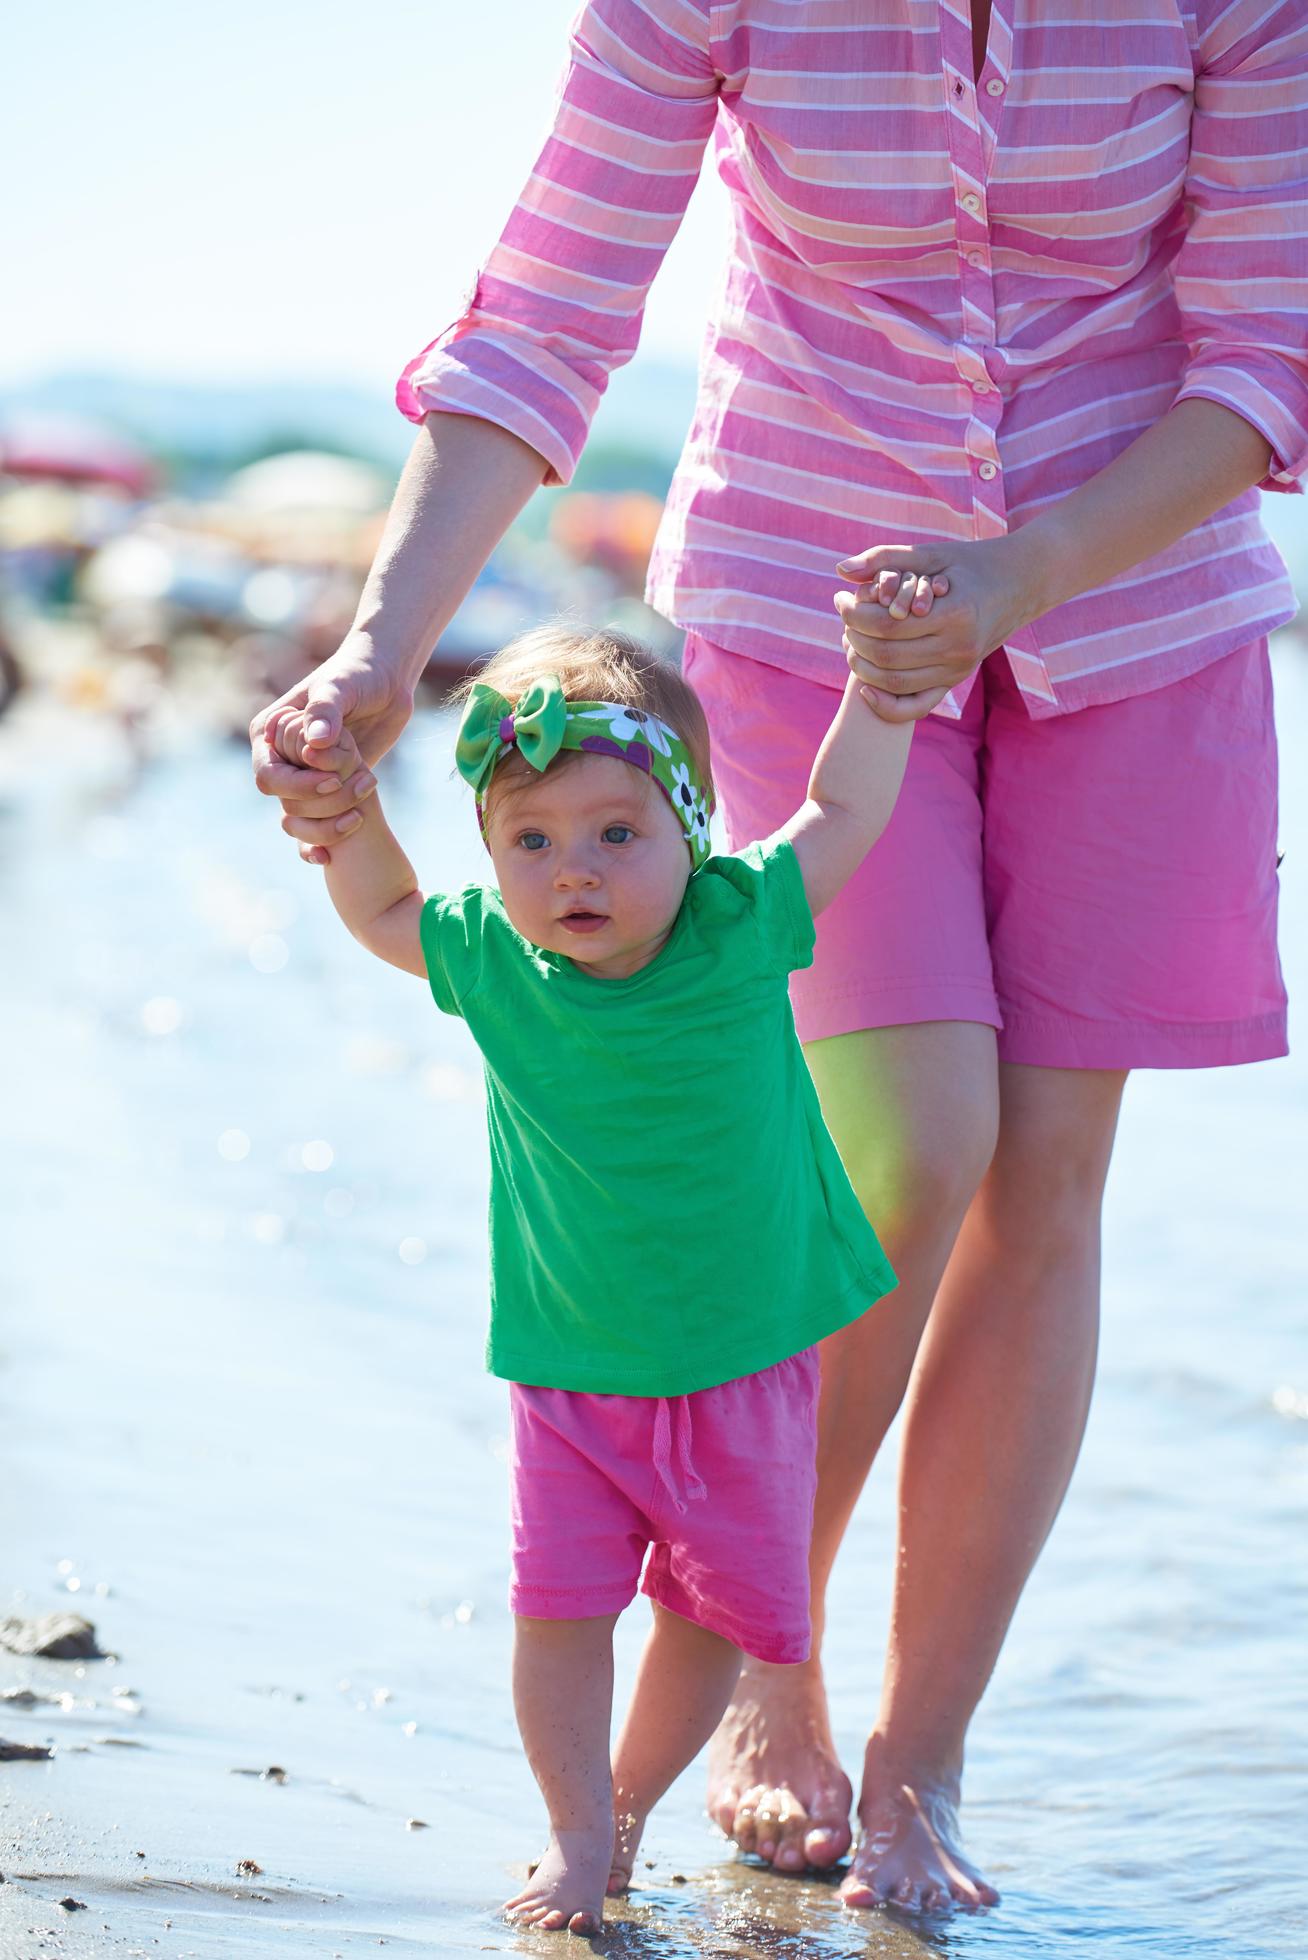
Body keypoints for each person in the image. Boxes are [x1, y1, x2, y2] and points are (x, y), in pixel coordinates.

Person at [253, 0, 1308, 1913]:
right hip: (801, 587)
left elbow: (1268, 350)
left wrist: (1024, 573)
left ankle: (922, 1760)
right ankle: (767, 1661)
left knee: (1047, 1183)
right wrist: (383, 647)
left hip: (1145, 605)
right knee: (909, 1144)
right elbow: (545, 311)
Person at [268, 621, 922, 1934]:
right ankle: (573, 1833)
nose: (575, 870)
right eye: (532, 840)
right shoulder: (497, 963)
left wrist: (883, 690)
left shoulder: (742, 925)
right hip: (571, 1370)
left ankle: (623, 1814)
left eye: (618, 833)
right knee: (559, 1610)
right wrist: (341, 813)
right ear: (495, 856)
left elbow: (843, 805)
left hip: (748, 1362)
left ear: (691, 828)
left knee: (716, 1615)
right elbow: (386, 907)